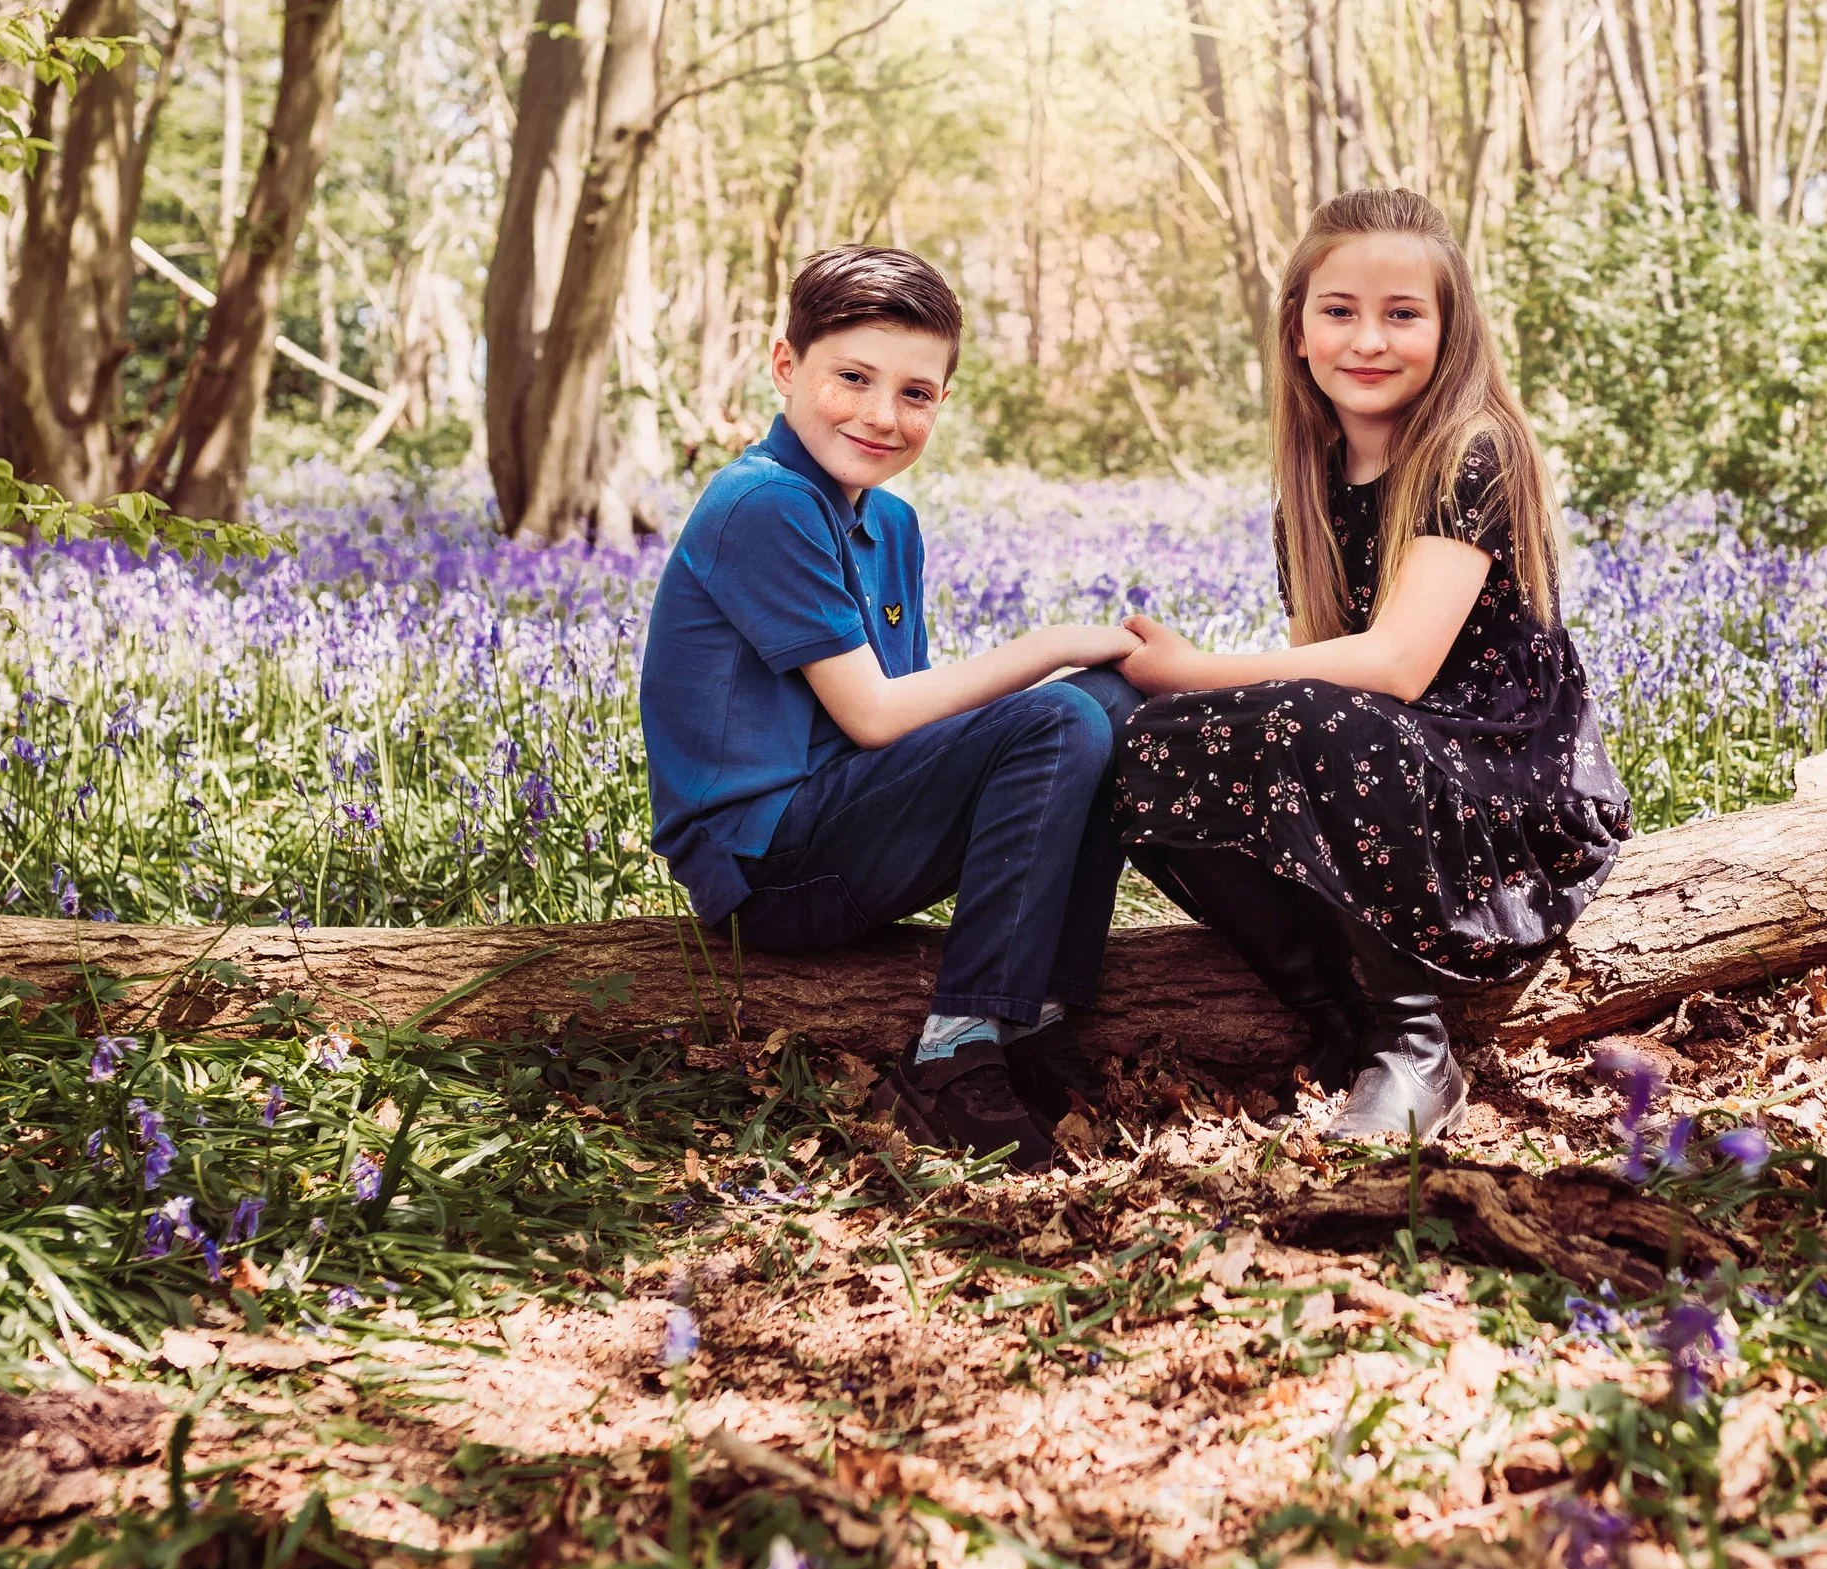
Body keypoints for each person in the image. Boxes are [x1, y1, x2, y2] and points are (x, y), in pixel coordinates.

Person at [1115, 188, 1629, 1144]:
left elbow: (1393, 665)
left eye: (1403, 314)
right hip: (1390, 765)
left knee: (1306, 716)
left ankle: (1416, 1048)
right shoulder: (1310, 487)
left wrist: (1194, 669)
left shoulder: (1474, 451)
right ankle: (1335, 1020)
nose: (1369, 340)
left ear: (1450, 331)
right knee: (1135, 742)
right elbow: (1331, 678)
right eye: (1339, 312)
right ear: (1299, 332)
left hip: (1506, 784)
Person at [641, 245, 1140, 1173]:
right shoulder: (763, 503)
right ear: (787, 366)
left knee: (1109, 706)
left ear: (942, 403)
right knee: (1064, 710)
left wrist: (1091, 685)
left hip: (843, 829)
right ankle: (954, 1056)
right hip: (766, 867)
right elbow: (875, 716)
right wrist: (1053, 645)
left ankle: (1032, 1019)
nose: (881, 414)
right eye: (854, 378)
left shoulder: (889, 520)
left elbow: (912, 724)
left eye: (915, 393)